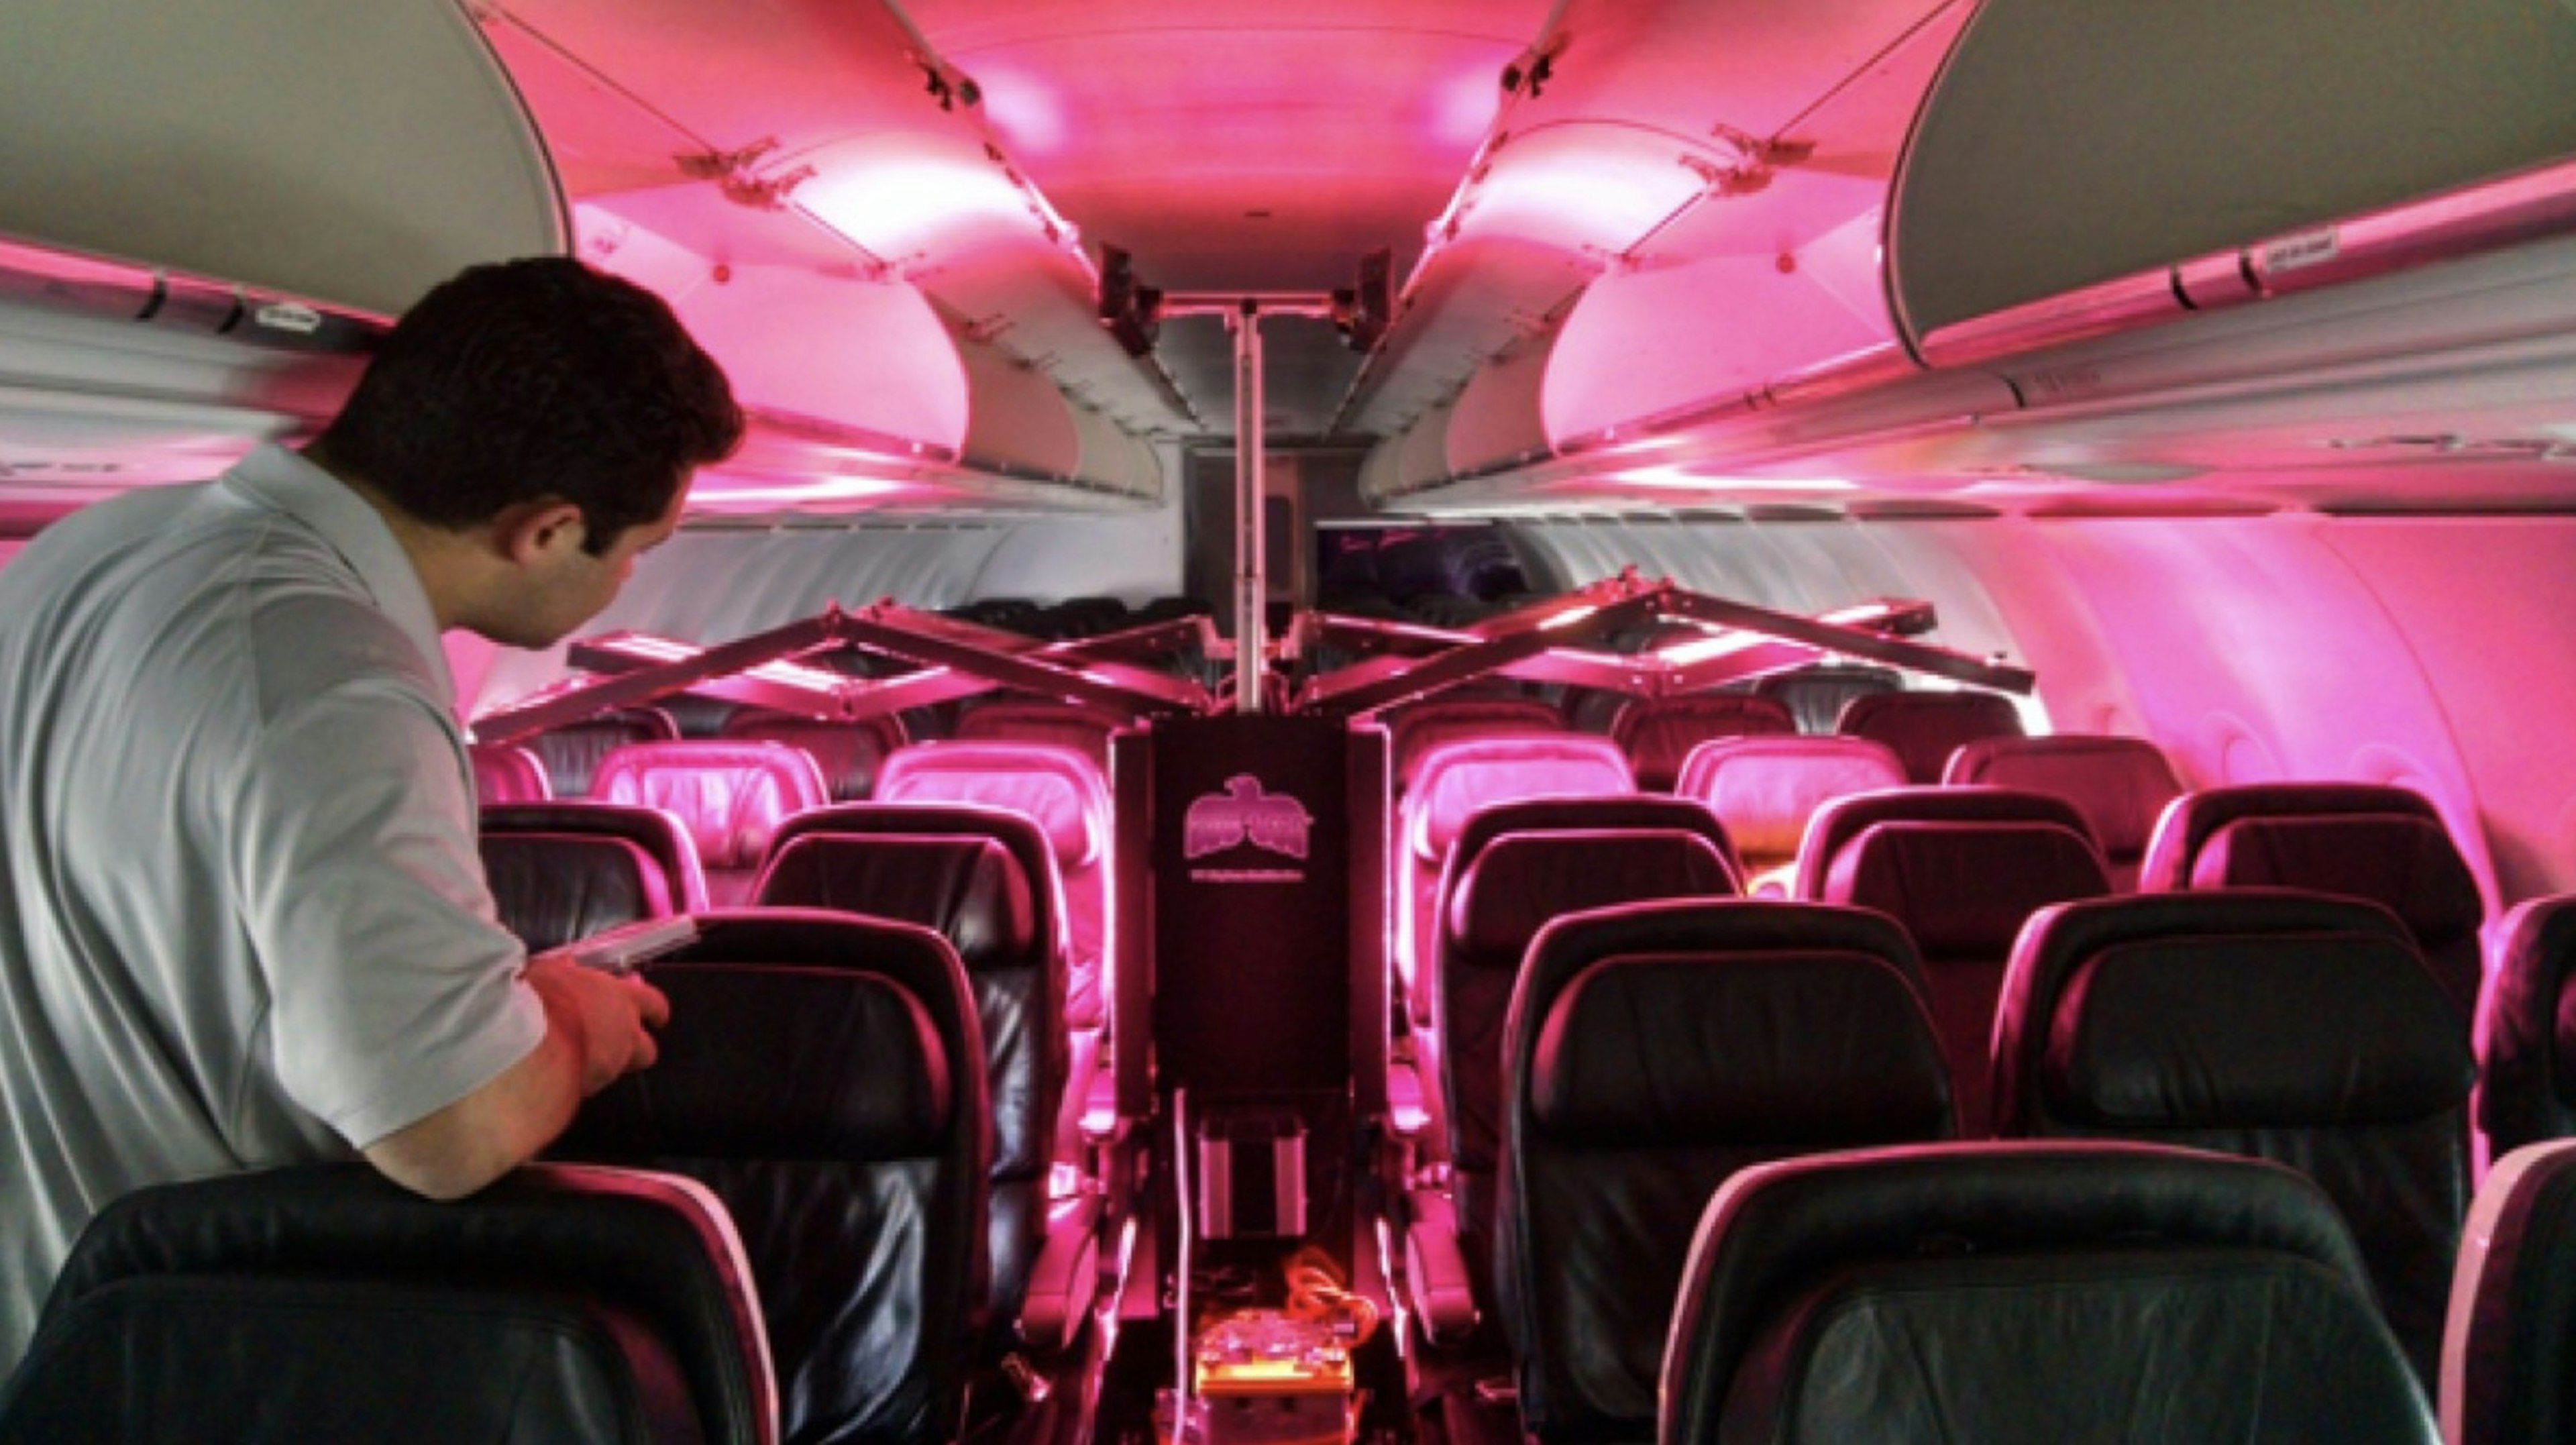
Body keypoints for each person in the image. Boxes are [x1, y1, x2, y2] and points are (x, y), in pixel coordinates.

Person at [0, 257, 743, 1372]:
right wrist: (576, 1022)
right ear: (545, 530)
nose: (630, 580)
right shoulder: (338, 676)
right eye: (636, 552)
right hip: (160, 1362)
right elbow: (447, 1129)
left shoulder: (87, 550)